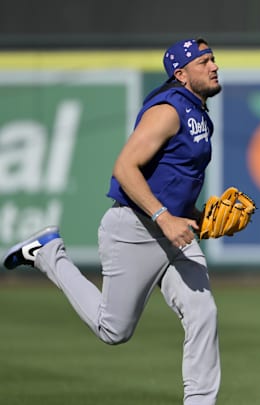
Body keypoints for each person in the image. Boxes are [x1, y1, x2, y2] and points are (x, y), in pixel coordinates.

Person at [3, 38, 223, 405]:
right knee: (113, 330)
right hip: (135, 229)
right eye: (203, 62)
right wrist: (164, 217)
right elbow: (124, 168)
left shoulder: (198, 113)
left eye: (213, 58)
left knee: (203, 312)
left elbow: (170, 180)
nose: (214, 66)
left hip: (169, 232)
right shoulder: (168, 110)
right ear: (182, 75)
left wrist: (201, 217)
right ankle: (47, 252)